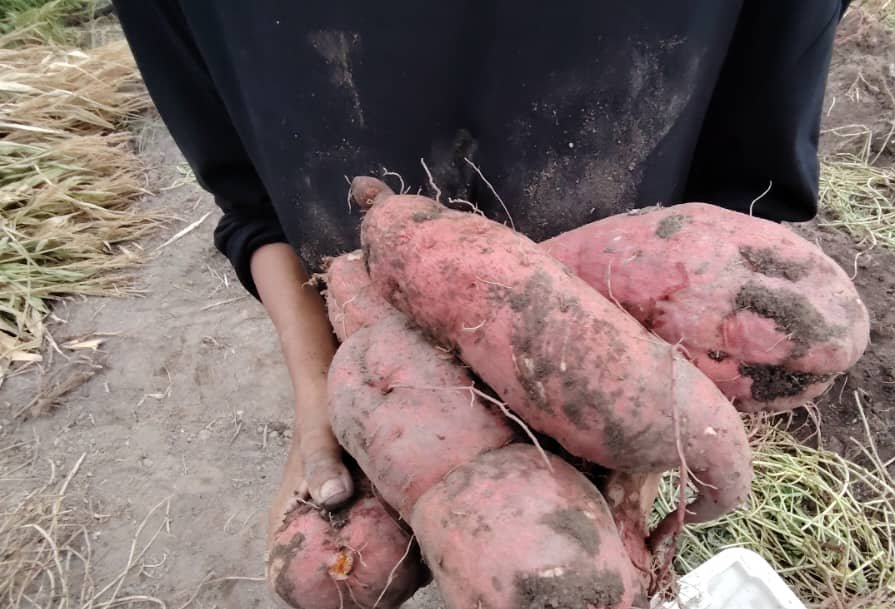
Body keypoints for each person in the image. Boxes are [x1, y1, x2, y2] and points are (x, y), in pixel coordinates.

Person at [113, 0, 850, 530]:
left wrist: (648, 395)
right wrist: (318, 389)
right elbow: (248, 201)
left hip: (618, 360)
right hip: (387, 378)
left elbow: (749, 175)